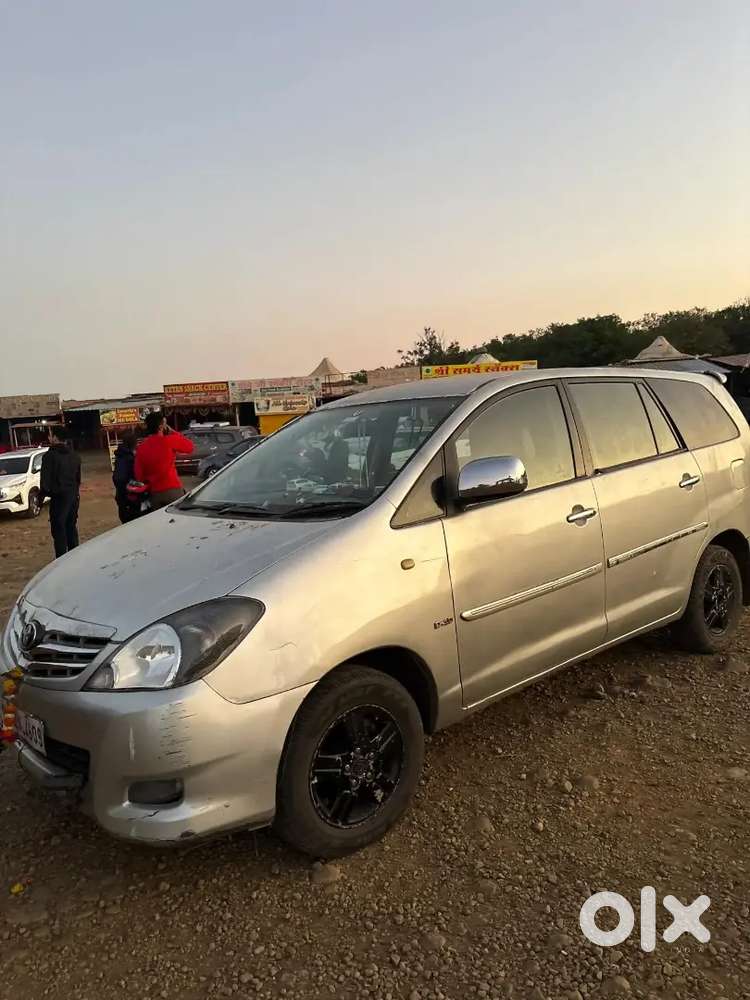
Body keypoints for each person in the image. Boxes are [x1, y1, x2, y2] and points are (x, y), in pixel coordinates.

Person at [134, 412, 194, 510]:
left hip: (154, 493)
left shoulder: (141, 448)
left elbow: (139, 475)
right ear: (161, 426)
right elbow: (190, 447)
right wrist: (172, 431)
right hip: (173, 489)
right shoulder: (169, 440)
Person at [40, 425, 82, 558]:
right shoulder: (75, 455)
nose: (48, 437)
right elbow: (78, 479)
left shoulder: (49, 456)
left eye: (50, 435)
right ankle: (75, 558)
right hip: (73, 497)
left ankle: (61, 561)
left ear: (55, 438)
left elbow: (45, 483)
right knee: (71, 527)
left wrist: (40, 500)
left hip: (59, 499)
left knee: (59, 531)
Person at [111, 431, 139, 523]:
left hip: (122, 497)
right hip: (129, 498)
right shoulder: (128, 458)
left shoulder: (121, 456)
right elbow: (120, 478)